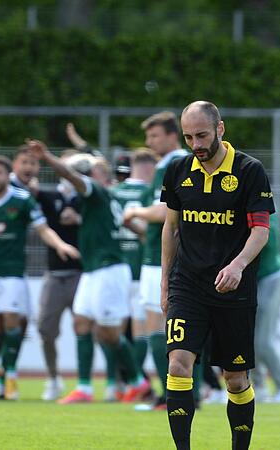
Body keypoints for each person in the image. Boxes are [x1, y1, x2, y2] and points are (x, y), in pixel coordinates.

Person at [160, 101, 275, 450]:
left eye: (202, 135)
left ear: (220, 129)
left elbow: (260, 230)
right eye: (189, 137)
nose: (196, 144)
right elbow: (171, 228)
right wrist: (165, 281)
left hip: (233, 289)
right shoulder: (179, 170)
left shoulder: (250, 170)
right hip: (188, 284)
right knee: (179, 365)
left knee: (235, 379)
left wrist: (238, 264)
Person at [28, 141, 147, 405]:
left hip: (109, 269)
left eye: (89, 170)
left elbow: (71, 176)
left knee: (110, 334)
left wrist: (47, 156)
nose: (81, 175)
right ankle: (84, 387)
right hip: (94, 269)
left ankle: (138, 382)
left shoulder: (97, 190)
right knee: (81, 323)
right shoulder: (103, 198)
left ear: (99, 176)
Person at [0, 155, 79, 400]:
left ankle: (9, 375)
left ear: (7, 175)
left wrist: (60, 245)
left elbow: (43, 229)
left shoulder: (22, 200)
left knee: (11, 323)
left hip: (11, 273)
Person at [123, 111, 191, 410]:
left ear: (172, 136)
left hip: (162, 262)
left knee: (162, 328)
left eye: (155, 136)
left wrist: (136, 212)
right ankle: (173, 394)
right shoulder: (165, 166)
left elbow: (166, 212)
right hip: (153, 257)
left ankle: (173, 395)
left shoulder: (175, 164)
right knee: (160, 328)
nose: (150, 142)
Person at [35, 149, 83, 401]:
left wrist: (80, 218)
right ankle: (53, 378)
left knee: (91, 329)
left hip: (81, 274)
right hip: (54, 274)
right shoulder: (50, 196)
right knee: (45, 329)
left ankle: (107, 381)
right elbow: (24, 185)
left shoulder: (88, 196)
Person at [110, 149, 157, 402]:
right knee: (141, 332)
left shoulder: (113, 193)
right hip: (141, 269)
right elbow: (149, 233)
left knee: (112, 329)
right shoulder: (150, 193)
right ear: (149, 167)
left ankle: (114, 384)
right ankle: (135, 383)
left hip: (116, 269)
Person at [251, 214, 280, 403]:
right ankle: (259, 388)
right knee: (248, 340)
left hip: (271, 277)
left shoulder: (263, 208)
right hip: (254, 280)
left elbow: (265, 239)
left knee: (262, 341)